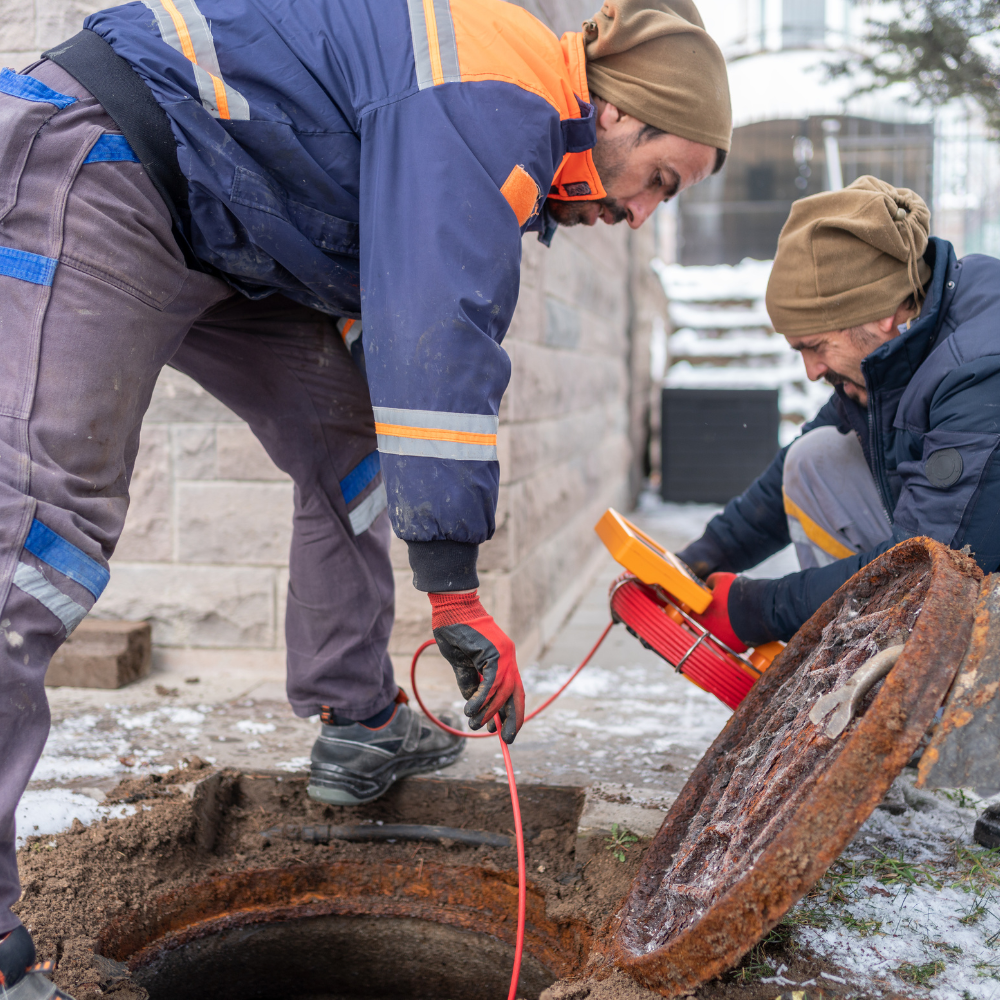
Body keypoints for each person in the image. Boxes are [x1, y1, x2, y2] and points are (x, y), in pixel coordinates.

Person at [0, 0, 732, 989]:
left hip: (225, 225)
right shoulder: (496, 97)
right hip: (110, 153)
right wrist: (458, 596)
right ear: (616, 115)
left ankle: (358, 718)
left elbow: (383, 285)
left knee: (352, 449)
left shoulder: (511, 124)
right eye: (658, 181)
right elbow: (439, 339)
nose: (640, 214)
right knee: (46, 525)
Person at [679, 176, 1000, 658]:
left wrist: (757, 609)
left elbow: (933, 558)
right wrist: (701, 559)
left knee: (922, 572)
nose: (810, 372)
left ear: (880, 315)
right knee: (814, 459)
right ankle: (862, 660)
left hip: (974, 570)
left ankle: (908, 692)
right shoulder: (900, 339)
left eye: (816, 346)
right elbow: (803, 455)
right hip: (961, 553)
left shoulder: (980, 368)